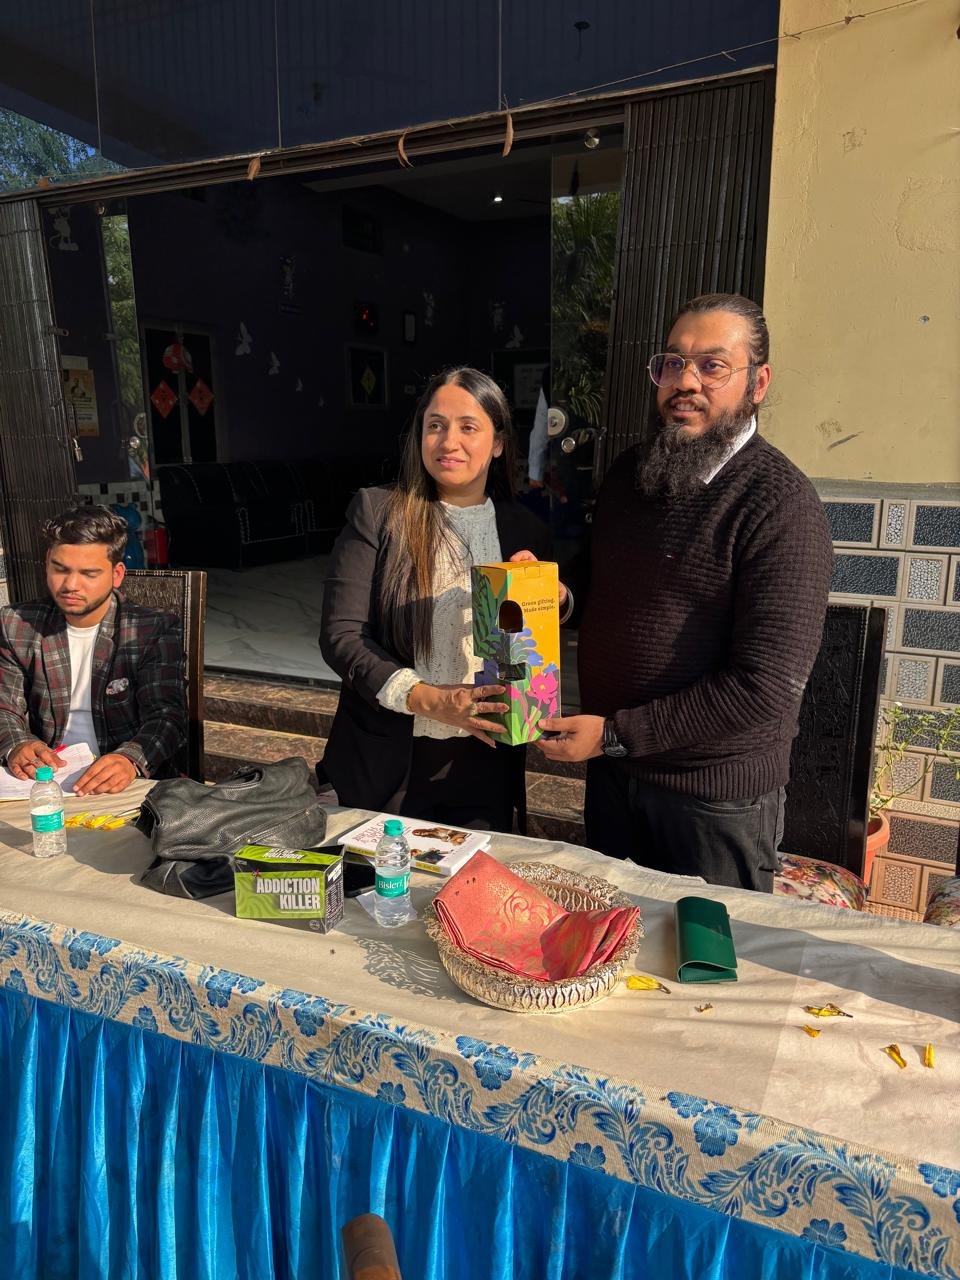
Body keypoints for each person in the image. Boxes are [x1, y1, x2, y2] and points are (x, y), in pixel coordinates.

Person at [537, 294, 834, 892]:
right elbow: (600, 582)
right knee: (615, 937)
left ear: (758, 383)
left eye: (712, 366)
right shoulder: (631, 474)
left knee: (708, 951)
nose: (686, 382)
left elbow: (764, 686)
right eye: (673, 363)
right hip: (615, 777)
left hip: (713, 802)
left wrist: (616, 734)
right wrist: (554, 594)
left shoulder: (781, 505)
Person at [319, 366, 561, 832]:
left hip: (489, 757)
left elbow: (533, 638)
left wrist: (549, 602)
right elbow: (342, 636)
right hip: (391, 759)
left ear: (498, 443)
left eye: (468, 427)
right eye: (436, 425)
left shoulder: (526, 531)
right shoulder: (379, 512)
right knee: (384, 876)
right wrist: (428, 699)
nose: (449, 441)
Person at [0, 505, 187, 795]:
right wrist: (16, 744)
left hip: (124, 784)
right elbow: (4, 708)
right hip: (42, 782)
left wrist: (130, 759)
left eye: (89, 573)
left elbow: (167, 716)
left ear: (117, 574)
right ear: (47, 563)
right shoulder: (16, 625)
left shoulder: (150, 631)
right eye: (60, 569)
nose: (71, 585)